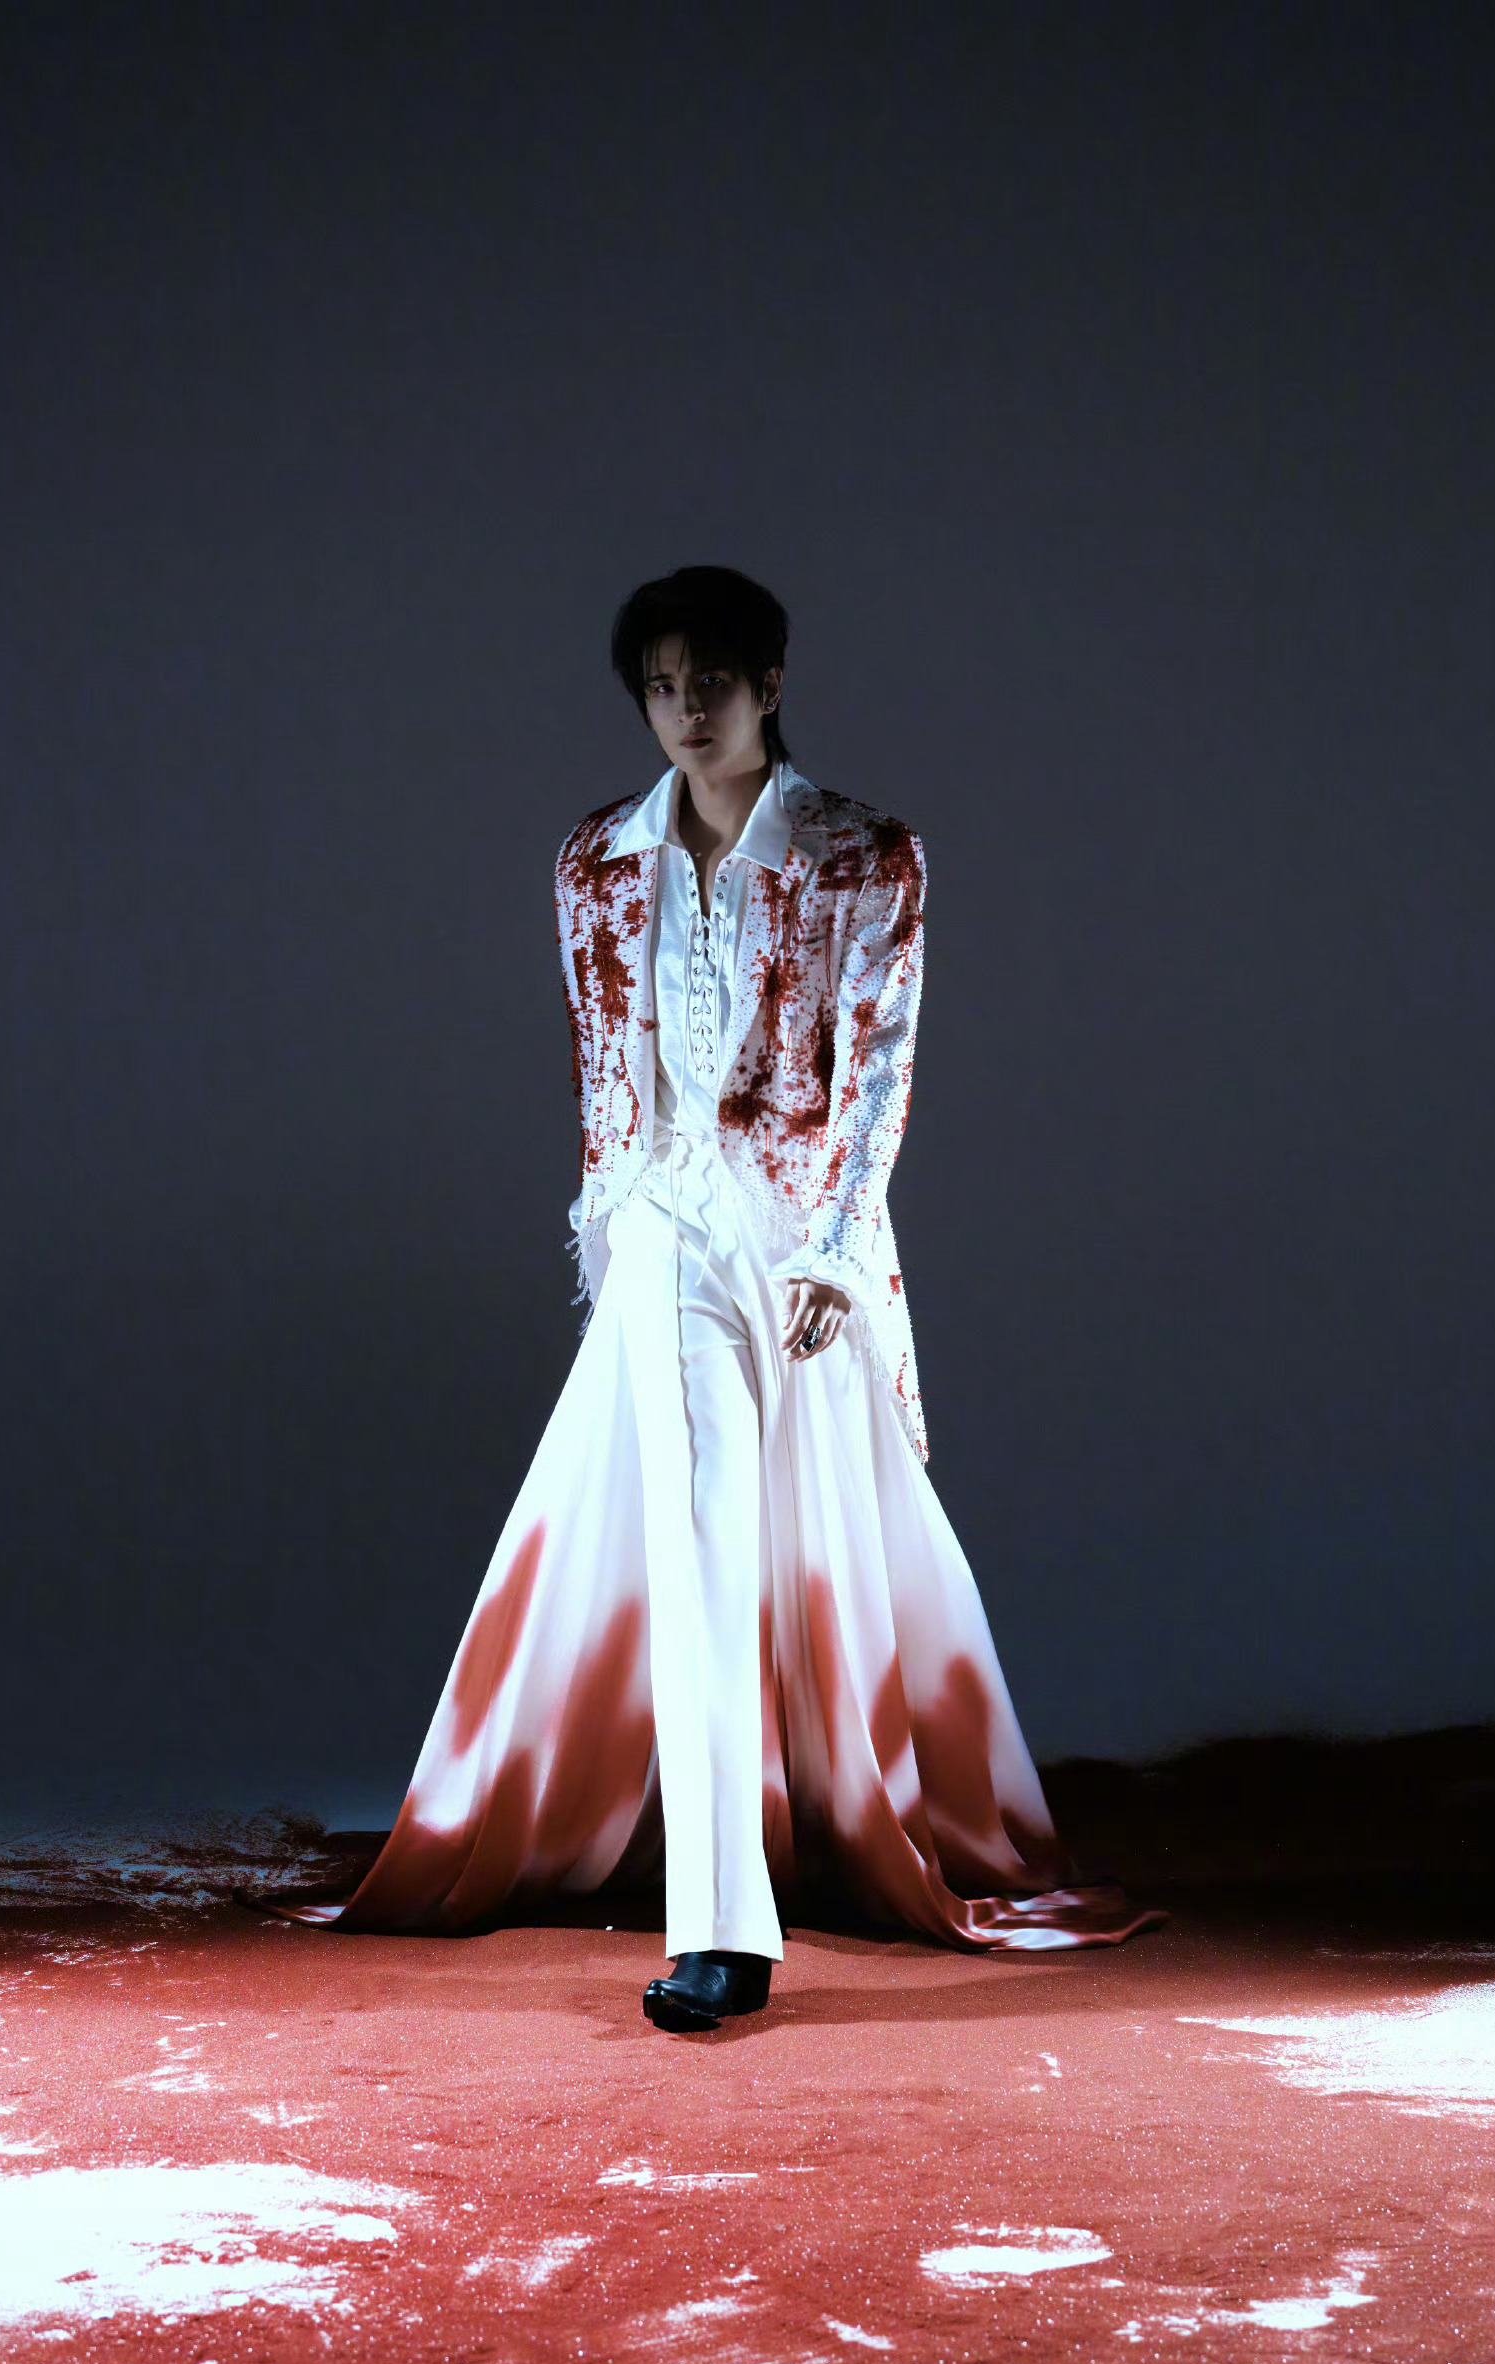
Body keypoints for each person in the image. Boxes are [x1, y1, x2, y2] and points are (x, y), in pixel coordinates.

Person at [288, 566, 1163, 2029]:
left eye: (711, 681)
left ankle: (862, 1826)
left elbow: (876, 1073)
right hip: (661, 1230)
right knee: (698, 1544)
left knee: (857, 1544)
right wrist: (617, 1247)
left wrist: (837, 1251)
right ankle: (723, 1927)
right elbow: (604, 1068)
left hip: (800, 1235)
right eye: (660, 685)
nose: (685, 710)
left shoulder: (866, 855)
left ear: (770, 685)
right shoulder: (595, 859)